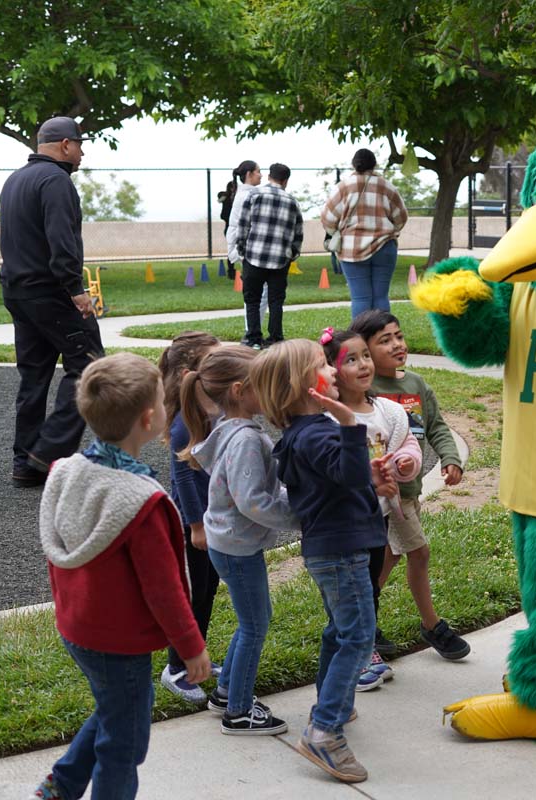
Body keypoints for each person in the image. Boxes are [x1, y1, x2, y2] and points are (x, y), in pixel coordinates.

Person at [34, 353, 209, 800]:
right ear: (150, 419)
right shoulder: (141, 503)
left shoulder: (67, 471)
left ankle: (62, 785)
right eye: (164, 403)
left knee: (119, 708)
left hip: (78, 627)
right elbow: (164, 590)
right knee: (124, 742)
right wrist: (190, 648)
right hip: (117, 640)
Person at [253, 339, 393, 784]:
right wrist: (350, 423)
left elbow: (336, 481)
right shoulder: (320, 430)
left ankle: (332, 703)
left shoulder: (302, 433)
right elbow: (343, 472)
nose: (333, 370)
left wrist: (365, 475)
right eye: (323, 366)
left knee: (341, 629)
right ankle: (324, 730)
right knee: (358, 636)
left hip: (330, 549)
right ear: (303, 385)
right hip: (343, 551)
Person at [184, 345, 296, 735]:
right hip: (236, 545)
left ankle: (227, 692)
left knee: (253, 619)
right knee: (255, 625)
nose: (272, 391)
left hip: (228, 542)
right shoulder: (246, 438)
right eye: (263, 385)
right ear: (238, 390)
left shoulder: (232, 429)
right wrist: (301, 518)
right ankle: (239, 711)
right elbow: (253, 501)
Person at [351, 309, 472, 661]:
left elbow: (436, 427)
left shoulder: (416, 385)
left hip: (409, 491)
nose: (396, 345)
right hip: (387, 496)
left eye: (398, 337)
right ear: (365, 352)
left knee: (386, 558)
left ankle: (363, 619)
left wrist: (450, 458)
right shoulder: (366, 390)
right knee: (418, 552)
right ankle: (432, 625)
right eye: (384, 340)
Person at [0, 116, 104, 488]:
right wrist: (77, 289)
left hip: (18, 290)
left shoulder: (15, 180)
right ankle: (47, 455)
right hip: (52, 292)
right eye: (80, 145)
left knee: (34, 376)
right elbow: (62, 242)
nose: (83, 152)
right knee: (90, 366)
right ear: (64, 145)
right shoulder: (56, 181)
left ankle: (24, 463)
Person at [320, 327, 422, 691]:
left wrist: (406, 463)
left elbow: (405, 444)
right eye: (351, 359)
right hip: (343, 522)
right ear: (331, 370)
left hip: (375, 517)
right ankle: (358, 656)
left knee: (369, 588)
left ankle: (365, 646)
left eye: (365, 355)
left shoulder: (387, 411)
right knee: (349, 593)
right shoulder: (328, 420)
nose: (363, 364)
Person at [157, 332, 224, 703]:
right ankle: (176, 668)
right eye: (212, 364)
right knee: (193, 593)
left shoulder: (208, 410)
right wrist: (196, 524)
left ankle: (195, 657)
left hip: (211, 519)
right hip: (194, 523)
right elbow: (183, 474)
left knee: (208, 589)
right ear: (188, 374)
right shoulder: (187, 419)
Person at [322, 148, 409, 319]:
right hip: (385, 246)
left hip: (351, 249)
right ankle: (383, 338)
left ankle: (362, 340)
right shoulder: (387, 186)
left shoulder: (343, 187)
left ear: (354, 164)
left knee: (360, 297)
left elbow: (327, 218)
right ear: (374, 164)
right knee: (381, 296)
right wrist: (391, 231)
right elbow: (401, 217)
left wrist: (336, 232)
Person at [237, 162, 304, 349]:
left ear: (269, 177)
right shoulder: (292, 202)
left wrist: (242, 250)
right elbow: (298, 234)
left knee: (252, 299)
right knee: (276, 301)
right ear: (286, 181)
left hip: (254, 257)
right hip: (280, 259)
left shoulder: (254, 195)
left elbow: (244, 225)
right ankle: (275, 337)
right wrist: (291, 255)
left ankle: (253, 338)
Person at [224, 160, 267, 336]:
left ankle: (252, 330)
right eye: (258, 171)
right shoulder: (247, 196)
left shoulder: (245, 194)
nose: (261, 174)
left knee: (257, 292)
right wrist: (240, 251)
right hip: (249, 250)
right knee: (258, 293)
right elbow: (240, 227)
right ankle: (252, 331)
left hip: (247, 249)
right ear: (249, 174)